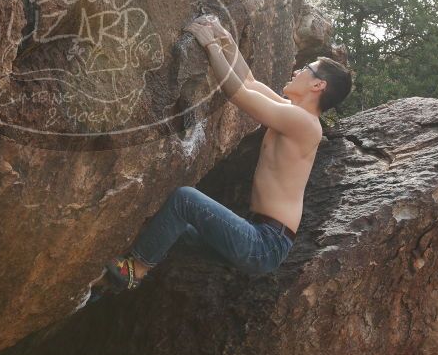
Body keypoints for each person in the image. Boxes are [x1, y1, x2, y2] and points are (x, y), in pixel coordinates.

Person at [94, 15, 353, 294]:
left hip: (264, 243)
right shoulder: (292, 113)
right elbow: (249, 82)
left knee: (184, 200)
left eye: (306, 69)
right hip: (259, 235)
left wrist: (210, 46)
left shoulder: (306, 124)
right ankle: (98, 289)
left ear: (318, 85)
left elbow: (239, 94)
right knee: (171, 226)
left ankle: (135, 271)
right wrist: (225, 39)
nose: (298, 71)